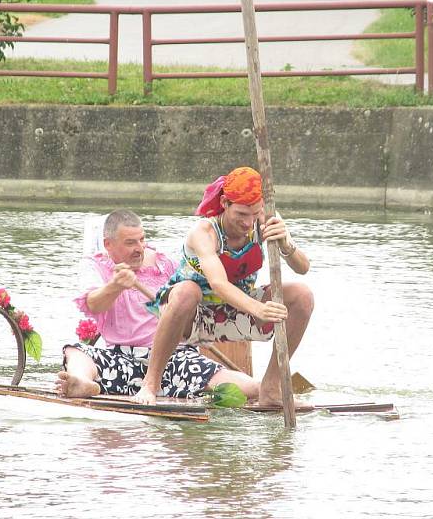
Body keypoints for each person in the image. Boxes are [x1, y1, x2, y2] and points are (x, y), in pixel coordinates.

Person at [132, 167, 314, 407]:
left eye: (254, 213)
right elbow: (218, 283)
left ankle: (270, 389)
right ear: (225, 203)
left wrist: (286, 243)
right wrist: (258, 310)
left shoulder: (266, 219)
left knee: (302, 295)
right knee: (187, 292)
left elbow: (302, 267)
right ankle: (150, 384)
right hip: (193, 315)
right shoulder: (204, 232)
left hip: (237, 311)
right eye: (241, 214)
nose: (248, 223)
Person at [56, 209, 259, 400]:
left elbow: (190, 302)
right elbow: (93, 304)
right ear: (108, 245)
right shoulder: (95, 265)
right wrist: (115, 286)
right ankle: (82, 383)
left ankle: (265, 388)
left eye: (142, 240)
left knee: (250, 389)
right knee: (75, 351)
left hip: (175, 358)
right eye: (130, 243)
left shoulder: (165, 263)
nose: (139, 248)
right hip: (123, 359)